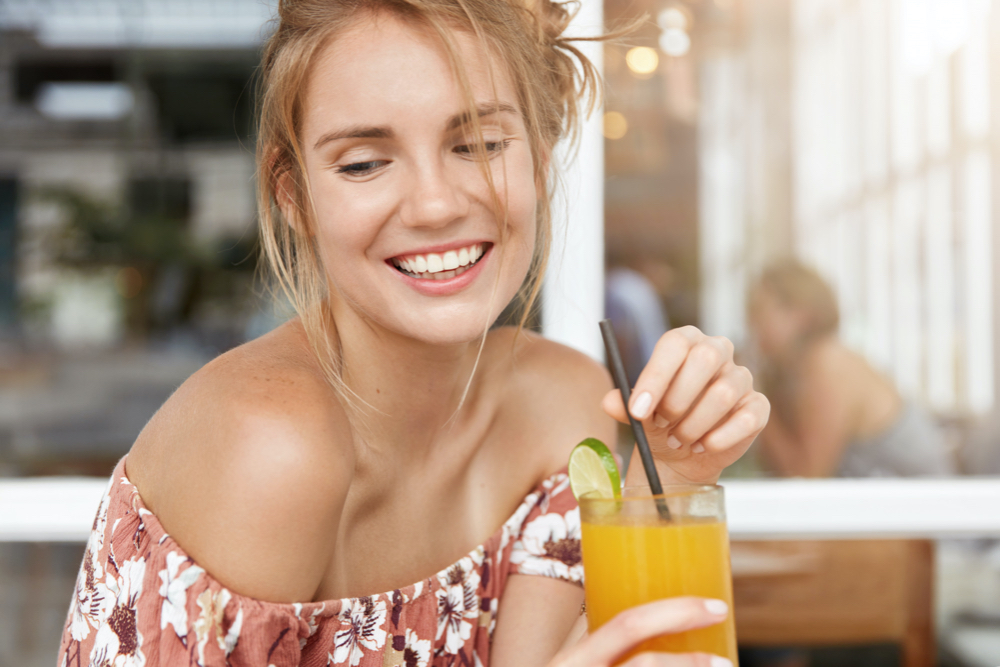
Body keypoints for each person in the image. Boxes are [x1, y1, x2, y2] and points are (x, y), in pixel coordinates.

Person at [58, 2, 769, 665]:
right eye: (364, 162)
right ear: (293, 193)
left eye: (481, 144)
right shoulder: (272, 448)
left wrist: (663, 483)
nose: (434, 204)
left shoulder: (566, 403)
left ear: (541, 152)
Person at [748, 259, 953, 478]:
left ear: (800, 315)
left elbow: (806, 477)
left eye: (760, 310)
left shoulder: (827, 363)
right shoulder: (803, 369)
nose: (753, 324)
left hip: (926, 506)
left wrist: (753, 397)